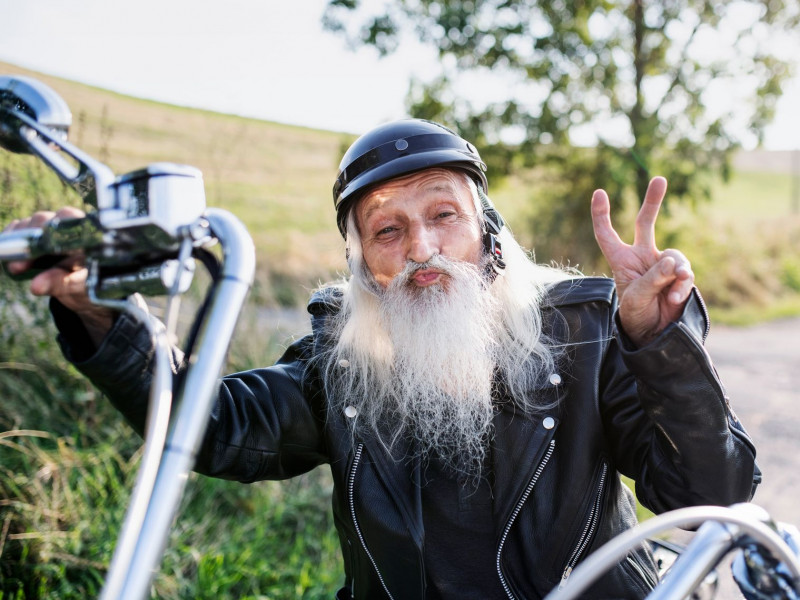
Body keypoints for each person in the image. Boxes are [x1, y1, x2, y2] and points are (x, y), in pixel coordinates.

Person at [5, 119, 759, 599]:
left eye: (442, 215)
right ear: (363, 263)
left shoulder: (588, 332)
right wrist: (96, 307)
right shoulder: (341, 364)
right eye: (388, 230)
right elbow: (214, 424)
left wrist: (659, 345)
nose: (422, 248)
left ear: (489, 236)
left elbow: (712, 494)